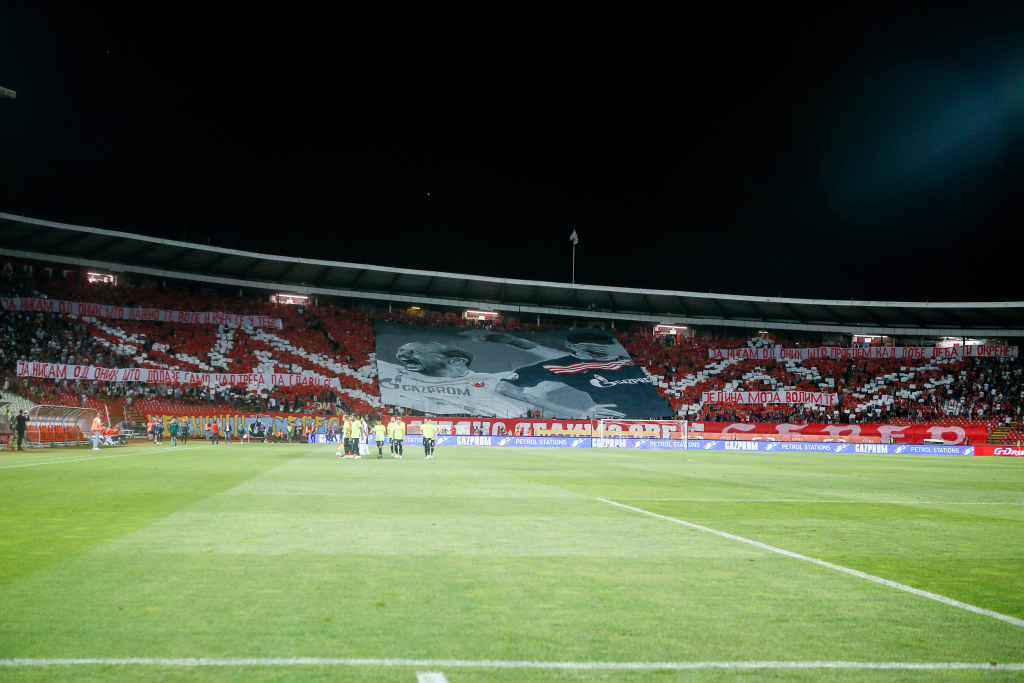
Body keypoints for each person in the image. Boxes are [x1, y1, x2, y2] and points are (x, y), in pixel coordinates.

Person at [495, 331, 673, 419]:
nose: (603, 350)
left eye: (607, 345)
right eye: (594, 347)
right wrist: (577, 412)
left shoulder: (630, 361)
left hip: (660, 419)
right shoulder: (559, 366)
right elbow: (504, 387)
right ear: (573, 346)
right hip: (615, 423)